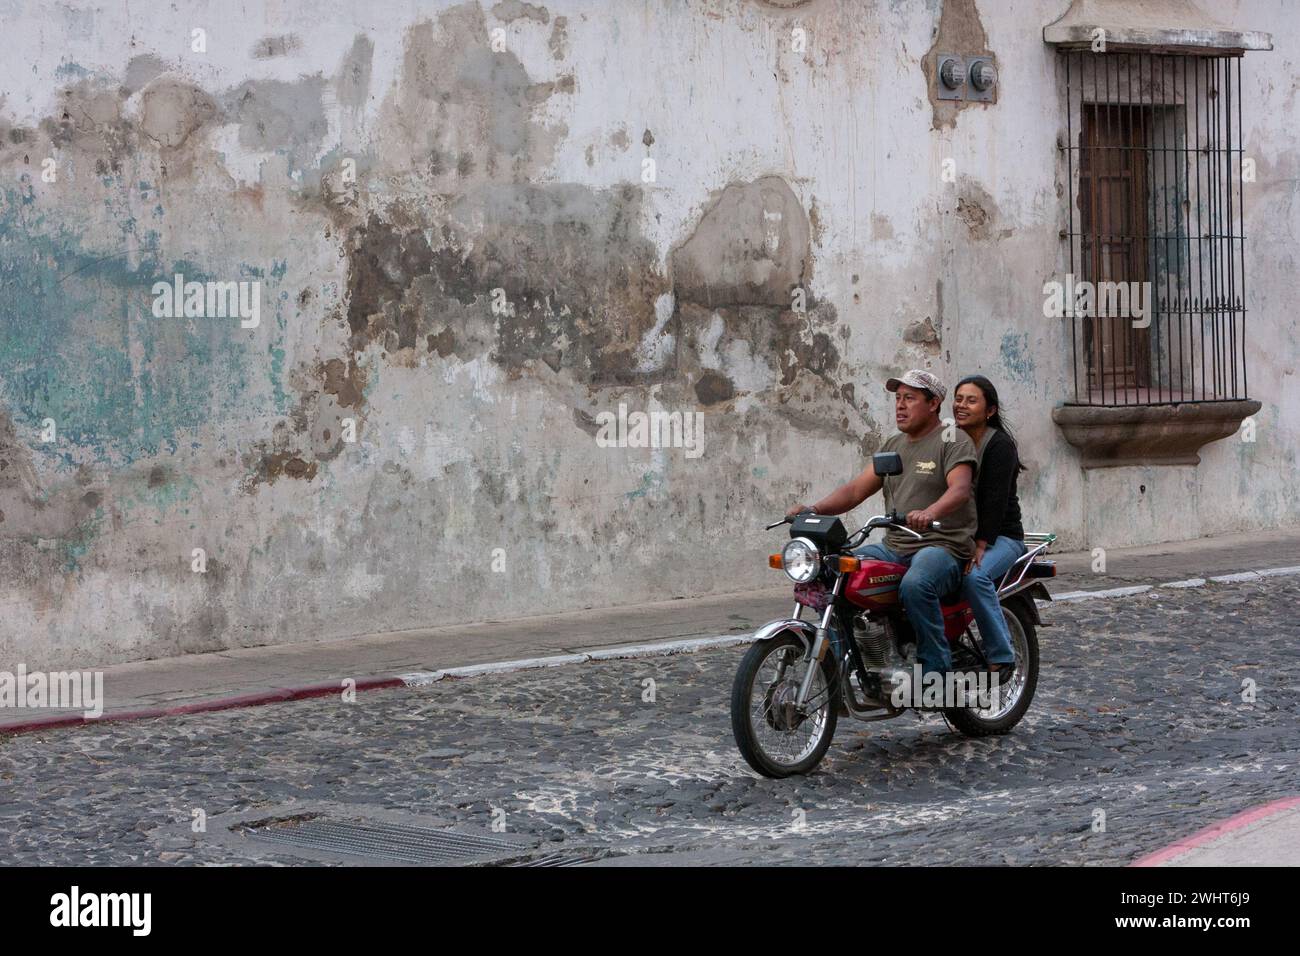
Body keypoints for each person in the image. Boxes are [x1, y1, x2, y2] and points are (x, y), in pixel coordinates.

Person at [787, 369, 978, 679]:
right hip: (895, 546)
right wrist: (814, 508)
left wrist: (930, 511)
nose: (900, 406)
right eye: (898, 399)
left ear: (933, 404)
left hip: (942, 545)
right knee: (835, 572)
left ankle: (935, 673)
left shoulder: (952, 438)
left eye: (910, 399)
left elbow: (960, 489)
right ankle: (849, 662)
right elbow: (856, 490)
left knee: (917, 585)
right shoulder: (894, 443)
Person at [952, 375, 1026, 682]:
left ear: (989, 410)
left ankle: (1001, 654)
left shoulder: (999, 445)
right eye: (958, 399)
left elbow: (995, 501)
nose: (961, 406)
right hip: (961, 535)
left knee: (975, 576)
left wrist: (980, 545)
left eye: (971, 400)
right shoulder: (951, 440)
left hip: (1002, 537)